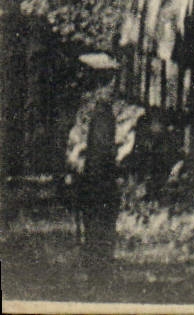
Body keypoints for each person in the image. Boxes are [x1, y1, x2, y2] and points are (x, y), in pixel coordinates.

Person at [67, 52, 121, 271]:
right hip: (95, 177)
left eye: (111, 79)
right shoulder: (93, 111)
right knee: (97, 222)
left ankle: (99, 263)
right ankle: (97, 266)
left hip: (99, 176)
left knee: (100, 222)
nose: (111, 85)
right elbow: (80, 145)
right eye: (106, 80)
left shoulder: (98, 110)